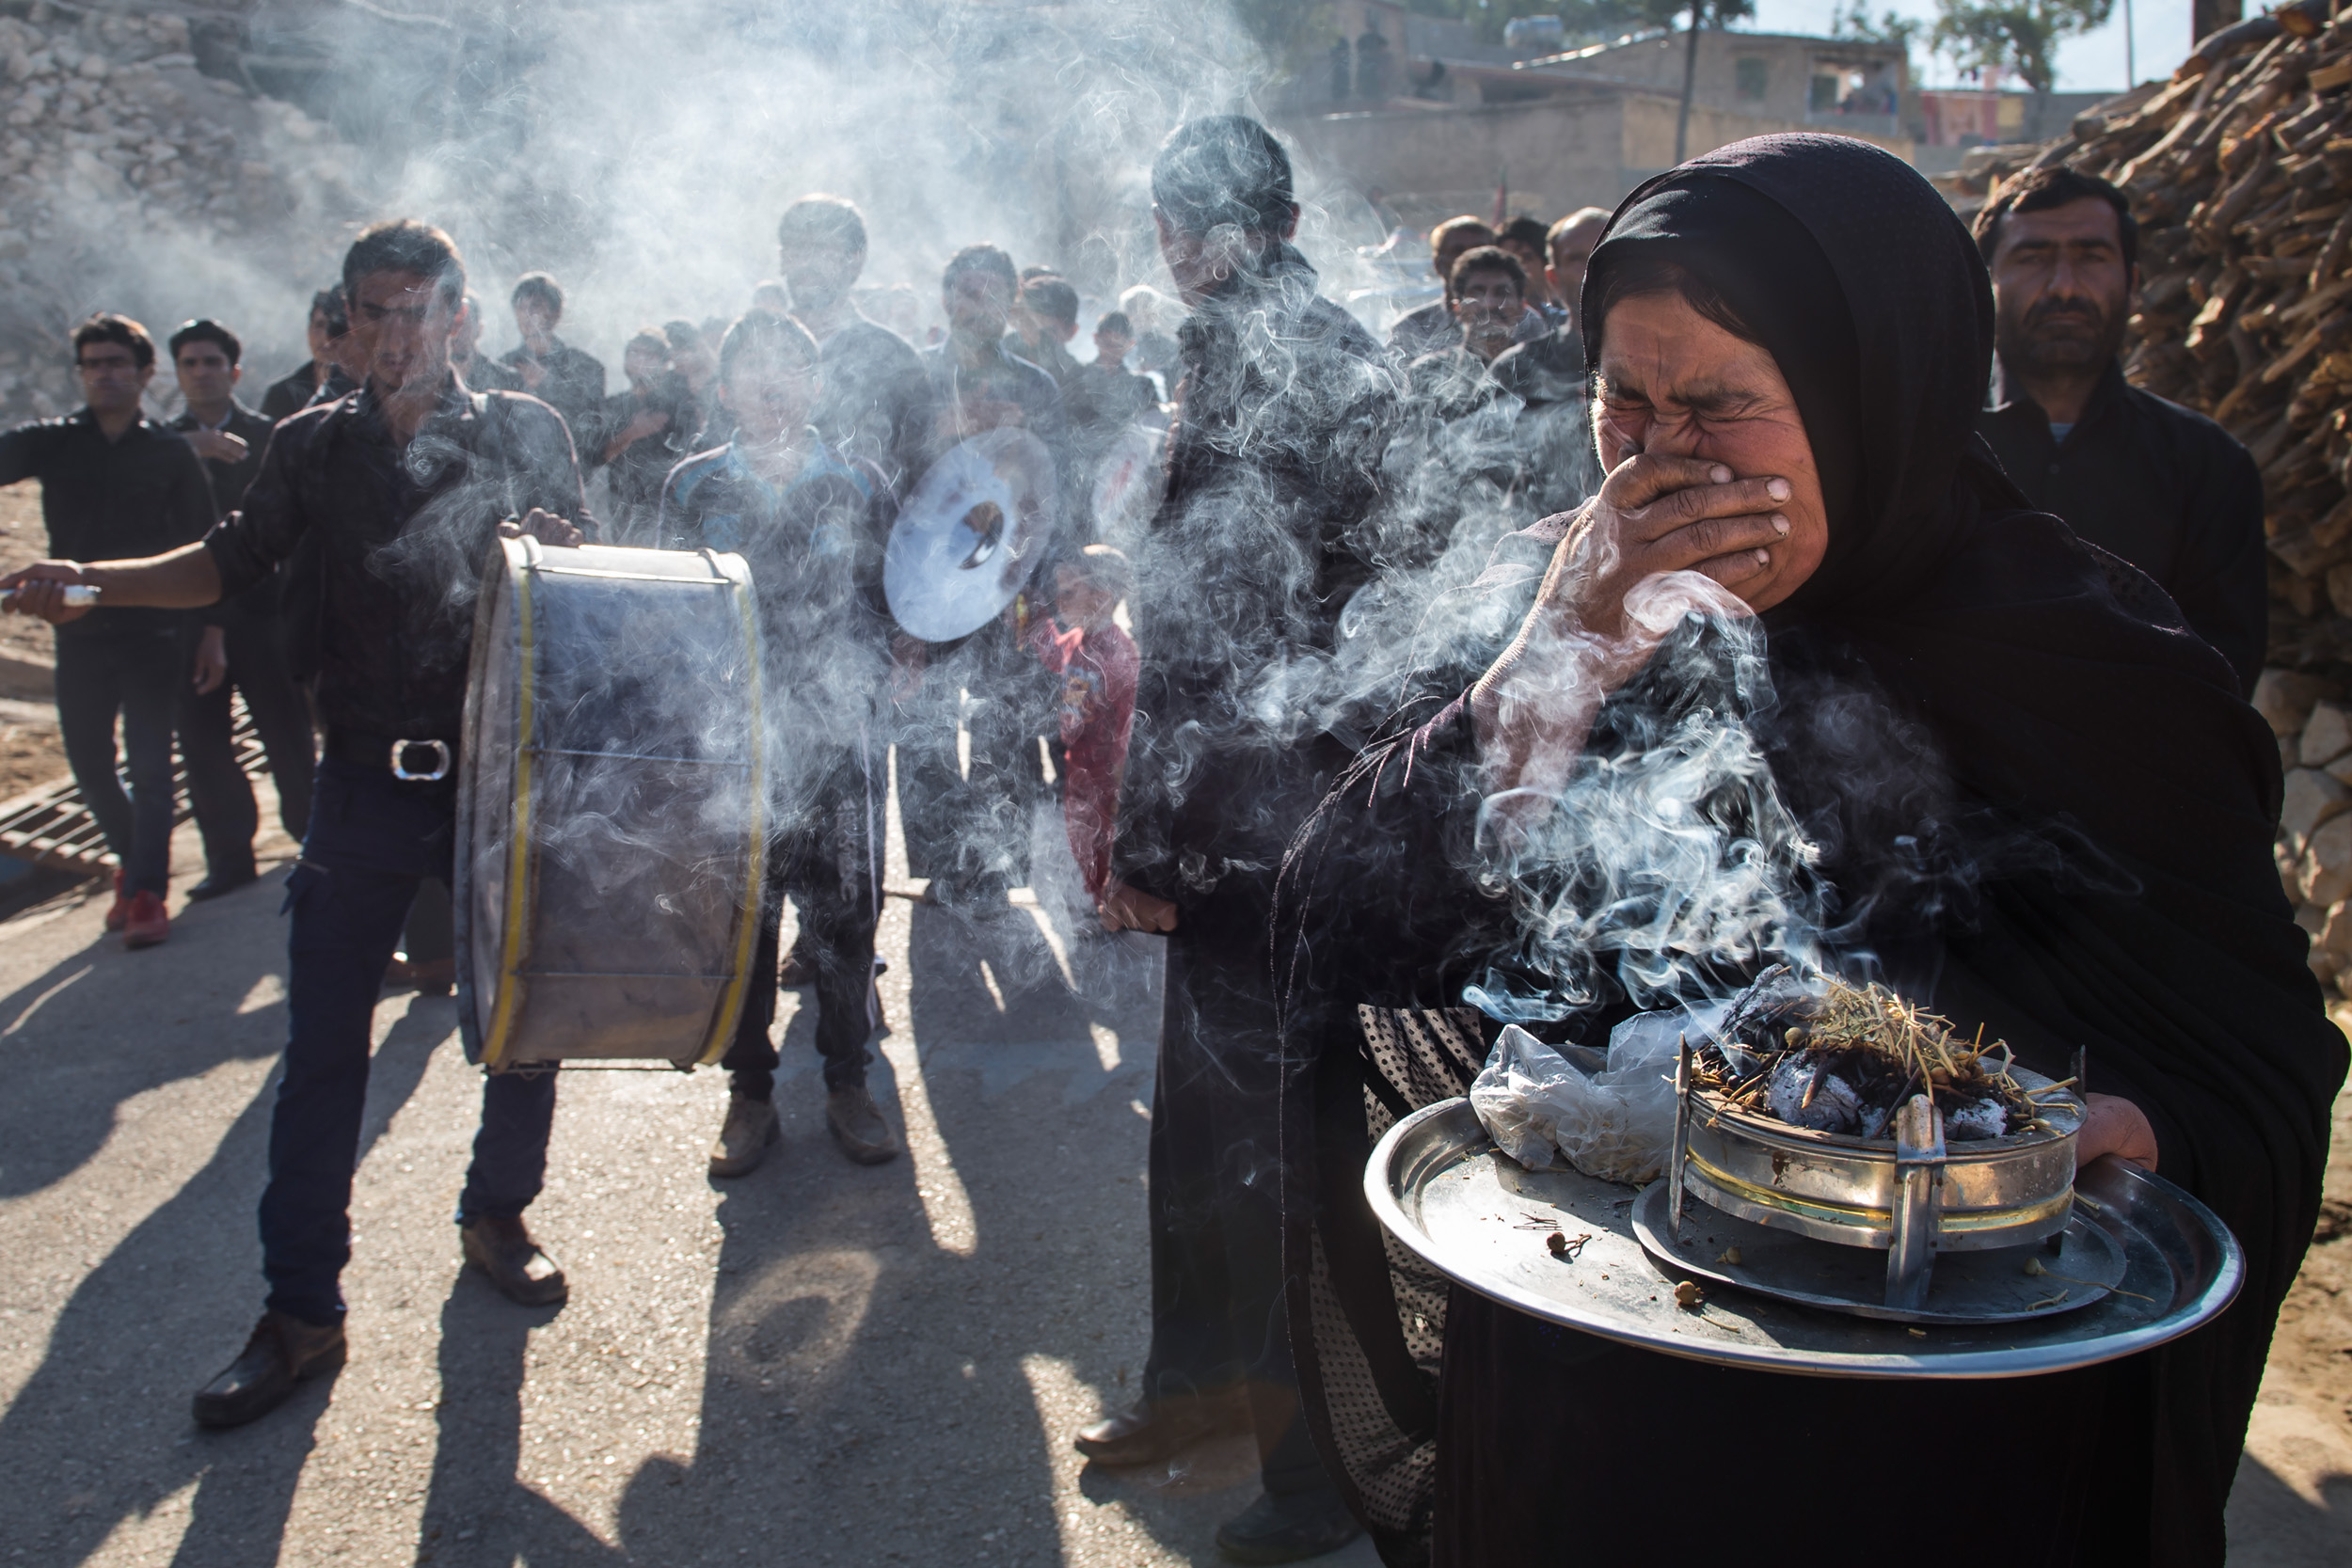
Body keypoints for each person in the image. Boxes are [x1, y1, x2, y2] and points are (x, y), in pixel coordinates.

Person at [1271, 134, 2345, 1568]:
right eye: (1625, 399)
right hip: (1599, 1398)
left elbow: (2259, 1054)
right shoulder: (1574, 593)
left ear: (1874, 404)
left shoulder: (2093, 671)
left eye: (1723, 404)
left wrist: (2142, 1129)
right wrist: (1559, 665)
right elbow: (1339, 918)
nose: (1663, 458)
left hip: (1945, 1442)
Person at [3, 220, 595, 1427]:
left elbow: (583, 588)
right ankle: (301, 1309)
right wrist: (95, 584)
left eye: (416, 310)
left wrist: (556, 560)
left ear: (459, 316)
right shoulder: (313, 443)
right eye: (371, 312)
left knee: (521, 1019)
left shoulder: (527, 429)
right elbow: (228, 560)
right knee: (323, 1048)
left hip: (498, 776)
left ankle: (498, 1211)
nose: (394, 335)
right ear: (344, 321)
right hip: (363, 781)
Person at [1078, 115, 1400, 1566]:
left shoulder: (1301, 356)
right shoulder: (1228, 344)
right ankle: (1197, 1392)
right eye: (1168, 219)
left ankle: (1322, 1475)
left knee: (1276, 1160)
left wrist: (1152, 834)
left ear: (1269, 225)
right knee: (1205, 1136)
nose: (1180, 247)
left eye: (1202, 220)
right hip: (1229, 815)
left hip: (1284, 824)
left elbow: (1233, 634)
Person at [658, 310, 902, 1173]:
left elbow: (896, 600)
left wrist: (903, 657)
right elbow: (669, 618)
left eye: (790, 366)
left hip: (839, 739)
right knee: (741, 922)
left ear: (817, 383)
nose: (772, 383)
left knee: (845, 918)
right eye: (754, 368)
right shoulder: (692, 486)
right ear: (724, 388)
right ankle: (749, 1091)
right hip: (735, 745)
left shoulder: (860, 481)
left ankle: (848, 1079)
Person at [1973, 166, 2265, 695]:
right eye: (2033, 257)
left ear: (2132, 284)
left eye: (2092, 257)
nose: (2064, 286)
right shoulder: (1933, 448)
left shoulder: (2208, 466)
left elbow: (2223, 675)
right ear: (1985, 282)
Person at [0, 314, 215, 947]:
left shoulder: (170, 452)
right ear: (81, 374)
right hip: (78, 633)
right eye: (93, 364)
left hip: (155, 634)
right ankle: (133, 866)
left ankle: (147, 893)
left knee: (151, 767)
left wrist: (212, 634)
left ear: (145, 373)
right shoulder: (54, 442)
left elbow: (206, 552)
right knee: (91, 765)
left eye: (117, 363)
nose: (105, 374)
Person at [903, 243, 1068, 909]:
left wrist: (1045, 581)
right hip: (927, 577)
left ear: (1012, 302)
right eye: (969, 291)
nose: (981, 305)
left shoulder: (1036, 385)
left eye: (995, 292)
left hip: (1009, 577)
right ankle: (943, 863)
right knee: (926, 725)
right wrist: (941, 430)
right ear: (948, 297)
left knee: (1006, 721)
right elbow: (891, 480)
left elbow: (1059, 483)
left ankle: (996, 866)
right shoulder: (917, 378)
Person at [166, 318, 316, 895]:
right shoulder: (161, 444)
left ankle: (314, 843)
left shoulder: (269, 436)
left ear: (234, 372)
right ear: (176, 373)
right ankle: (230, 859)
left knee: (287, 733)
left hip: (263, 613)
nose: (201, 373)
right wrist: (186, 449)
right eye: (189, 363)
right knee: (202, 742)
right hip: (190, 615)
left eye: (212, 362)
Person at [775, 194, 935, 499]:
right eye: (797, 248)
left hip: (865, 523)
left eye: (822, 248)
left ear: (855, 260)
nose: (807, 261)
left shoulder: (895, 360)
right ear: (782, 259)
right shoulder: (753, 355)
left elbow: (922, 472)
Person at [1021, 545, 1138, 911]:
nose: (1060, 601)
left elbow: (1128, 719)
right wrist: (1035, 613)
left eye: (1069, 593)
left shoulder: (1118, 654)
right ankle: (1090, 896)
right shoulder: (1077, 639)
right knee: (1079, 832)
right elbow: (1054, 653)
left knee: (1099, 836)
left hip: (1104, 767)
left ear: (1101, 598)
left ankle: (1100, 902)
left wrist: (1120, 774)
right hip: (1077, 761)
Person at [1406, 245, 1529, 420]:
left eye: (1502, 293)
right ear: (1458, 308)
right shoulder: (1428, 371)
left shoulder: (1541, 371)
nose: (1489, 304)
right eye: (1476, 294)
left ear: (1522, 306)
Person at [591, 327, 687, 545]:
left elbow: (689, 452)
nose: (640, 361)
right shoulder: (613, 405)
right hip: (622, 501)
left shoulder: (678, 405)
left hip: (667, 503)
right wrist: (633, 432)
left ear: (665, 363)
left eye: (649, 355)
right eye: (634, 353)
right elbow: (597, 456)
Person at [501, 271, 607, 440]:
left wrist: (548, 385)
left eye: (535, 306)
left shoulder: (586, 367)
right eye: (521, 306)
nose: (527, 314)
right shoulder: (504, 366)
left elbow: (592, 433)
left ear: (555, 312)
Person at [1388, 215, 1491, 361]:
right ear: (1438, 263)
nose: (1469, 260)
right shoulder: (1411, 327)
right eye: (1458, 251)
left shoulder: (1518, 322)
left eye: (1478, 251)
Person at [258, 288, 348, 422]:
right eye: (320, 325)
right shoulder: (282, 394)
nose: (326, 337)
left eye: (335, 327)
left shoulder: (366, 391)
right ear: (308, 330)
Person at [1543, 206, 1610, 335]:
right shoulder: (1541, 348)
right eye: (1577, 259)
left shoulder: (1651, 346)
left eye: (1604, 255)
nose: (1593, 268)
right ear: (1554, 279)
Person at [1007, 275, 1083, 388]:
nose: (1037, 337)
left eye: (1048, 331)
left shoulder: (1077, 380)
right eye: (1030, 325)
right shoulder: (999, 359)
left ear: (1072, 332)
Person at [1494, 214, 1563, 328]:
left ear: (1545, 263)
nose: (1516, 268)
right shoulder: (1488, 325)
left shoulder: (1565, 323)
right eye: (1507, 260)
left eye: (1526, 258)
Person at [451, 293, 519, 392]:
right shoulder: (433, 379)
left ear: (479, 329)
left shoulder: (505, 378)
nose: (457, 333)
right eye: (454, 325)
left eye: (464, 326)